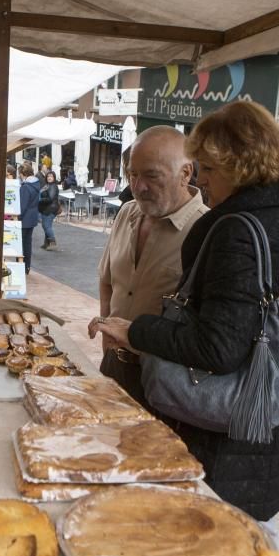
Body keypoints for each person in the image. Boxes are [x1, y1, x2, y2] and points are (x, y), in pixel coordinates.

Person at [91, 101, 279, 524]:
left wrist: (138, 331)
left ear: (239, 166)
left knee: (201, 533)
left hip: (224, 430)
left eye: (209, 170)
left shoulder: (230, 228)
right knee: (246, 534)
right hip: (276, 416)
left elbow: (217, 347)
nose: (202, 179)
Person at [88, 127, 207, 408]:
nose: (138, 186)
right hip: (114, 367)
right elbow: (107, 280)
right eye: (132, 174)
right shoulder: (127, 212)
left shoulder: (206, 230)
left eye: (151, 175)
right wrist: (107, 336)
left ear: (186, 173)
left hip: (169, 384)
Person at [18, 162, 41, 274]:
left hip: (24, 219)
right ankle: (27, 266)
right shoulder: (36, 184)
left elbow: (22, 206)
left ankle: (22, 265)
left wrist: (17, 217)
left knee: (21, 244)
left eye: (20, 174)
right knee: (28, 243)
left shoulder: (26, 187)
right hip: (32, 218)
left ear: (23, 173)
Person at [38, 170, 61, 250]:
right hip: (46, 208)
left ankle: (53, 242)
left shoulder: (53, 186)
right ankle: (47, 243)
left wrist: (39, 200)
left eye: (51, 176)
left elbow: (50, 198)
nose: (49, 178)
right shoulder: (47, 185)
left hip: (50, 209)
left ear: (54, 178)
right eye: (48, 176)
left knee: (46, 226)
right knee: (46, 226)